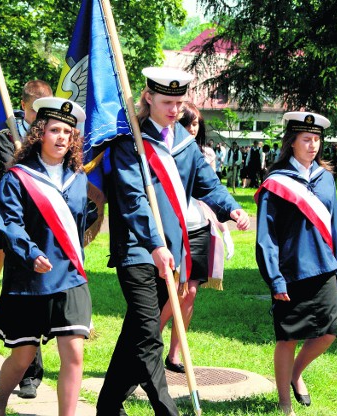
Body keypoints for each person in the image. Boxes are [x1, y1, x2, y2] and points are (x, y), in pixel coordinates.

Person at [97, 67, 249, 416]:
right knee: (150, 333)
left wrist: (233, 208)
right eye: (167, 102)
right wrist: (154, 244)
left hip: (173, 251)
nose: (174, 109)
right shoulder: (129, 142)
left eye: (180, 102)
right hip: (138, 249)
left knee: (137, 330)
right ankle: (168, 410)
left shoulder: (183, 141)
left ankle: (107, 407)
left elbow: (207, 184)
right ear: (148, 98)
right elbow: (133, 200)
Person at [0, 97, 91, 416]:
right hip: (31, 279)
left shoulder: (78, 178)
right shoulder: (17, 178)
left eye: (68, 132)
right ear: (39, 134)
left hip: (70, 276)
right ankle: (1, 399)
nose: (62, 136)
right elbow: (10, 223)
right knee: (22, 357)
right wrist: (31, 253)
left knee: (74, 352)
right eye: (54, 129)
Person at [254, 111, 337, 416]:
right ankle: (284, 403)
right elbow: (266, 237)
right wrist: (275, 278)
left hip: (324, 268)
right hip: (290, 271)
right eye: (306, 139)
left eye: (317, 139)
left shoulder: (326, 179)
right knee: (288, 336)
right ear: (291, 142)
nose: (313, 145)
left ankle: (295, 373)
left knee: (328, 332)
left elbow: (335, 228)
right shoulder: (276, 182)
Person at [0, 80, 53, 399]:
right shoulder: (5, 135)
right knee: (23, 295)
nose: (41, 116)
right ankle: (27, 369)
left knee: (40, 295)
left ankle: (31, 370)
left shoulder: (52, 134)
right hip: (16, 226)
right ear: (24, 106)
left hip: (47, 226)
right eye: (37, 109)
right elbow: (15, 169)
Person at [159, 101, 236, 373]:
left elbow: (210, 188)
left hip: (199, 227)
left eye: (195, 125)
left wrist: (231, 212)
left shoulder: (203, 154)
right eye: (187, 123)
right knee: (171, 292)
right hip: (172, 230)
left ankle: (175, 354)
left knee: (190, 292)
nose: (192, 129)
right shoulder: (161, 150)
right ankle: (146, 343)